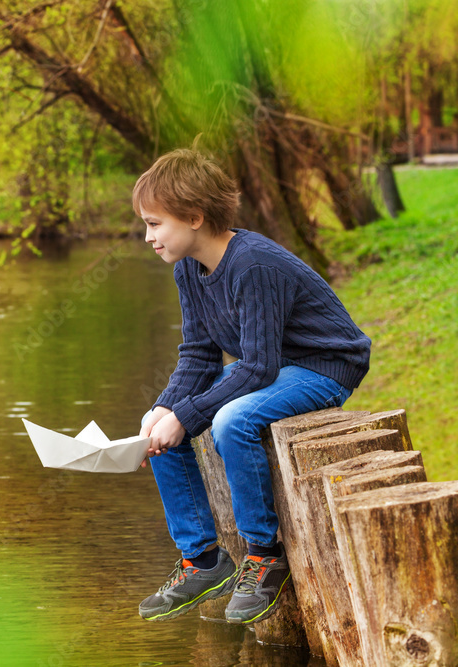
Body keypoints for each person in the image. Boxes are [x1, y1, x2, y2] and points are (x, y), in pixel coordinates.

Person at [131, 148, 371, 625]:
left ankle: (264, 554)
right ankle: (202, 559)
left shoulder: (253, 265)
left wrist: (186, 415)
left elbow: (257, 368)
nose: (147, 236)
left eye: (155, 223)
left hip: (324, 367)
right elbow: (199, 357)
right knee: (162, 426)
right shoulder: (189, 270)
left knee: (229, 420)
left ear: (194, 217)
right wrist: (163, 409)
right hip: (277, 367)